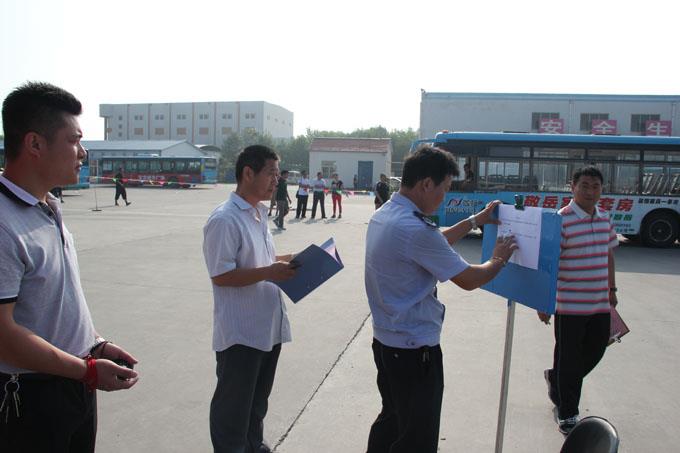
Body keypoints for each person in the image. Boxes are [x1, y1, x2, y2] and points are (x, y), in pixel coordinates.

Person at [0, 82, 139, 452]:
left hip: (74, 380)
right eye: (74, 140)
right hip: (31, 396)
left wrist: (95, 345)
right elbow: (3, 335)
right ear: (34, 144)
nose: (83, 152)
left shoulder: (47, 206)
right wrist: (88, 371)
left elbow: (52, 302)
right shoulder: (4, 222)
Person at [364, 145, 517, 453]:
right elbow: (469, 279)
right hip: (414, 351)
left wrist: (475, 220)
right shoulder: (416, 229)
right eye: (445, 188)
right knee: (416, 438)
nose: (444, 197)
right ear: (426, 184)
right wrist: (498, 259)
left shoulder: (387, 214)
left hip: (387, 344)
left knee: (392, 421)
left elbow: (433, 245)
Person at [202, 144, 298, 453]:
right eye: (271, 173)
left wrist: (291, 260)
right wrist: (270, 271)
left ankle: (253, 446)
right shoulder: (225, 219)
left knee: (256, 405)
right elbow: (221, 274)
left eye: (277, 175)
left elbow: (258, 259)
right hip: (241, 335)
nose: (276, 181)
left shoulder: (257, 213)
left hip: (267, 330)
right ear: (248, 173)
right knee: (233, 412)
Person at [537, 165, 619, 435]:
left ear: (602, 189)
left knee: (596, 350)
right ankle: (568, 412)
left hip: (599, 302)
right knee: (569, 359)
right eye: (584, 185)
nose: (590, 191)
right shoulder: (562, 220)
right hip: (569, 305)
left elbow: (609, 254)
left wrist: (612, 289)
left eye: (595, 186)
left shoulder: (605, 217)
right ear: (572, 187)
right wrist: (544, 302)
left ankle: (557, 380)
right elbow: (549, 263)